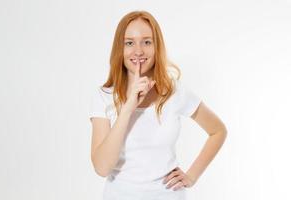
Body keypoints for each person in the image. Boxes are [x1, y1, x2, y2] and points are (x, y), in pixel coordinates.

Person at [89, 10, 227, 200]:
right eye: (129, 42)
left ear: (156, 46)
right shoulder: (104, 96)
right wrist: (128, 108)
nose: (138, 50)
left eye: (147, 42)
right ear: (119, 49)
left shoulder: (175, 91)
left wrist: (192, 176)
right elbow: (101, 167)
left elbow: (218, 131)